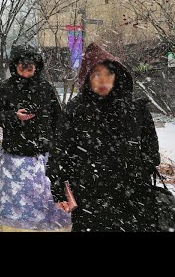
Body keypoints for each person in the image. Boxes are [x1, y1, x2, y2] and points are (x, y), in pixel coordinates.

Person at [46, 43, 160, 232]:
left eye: (108, 74)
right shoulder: (76, 110)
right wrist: (58, 189)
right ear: (87, 78)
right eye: (96, 74)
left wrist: (140, 174)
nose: (103, 80)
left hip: (131, 198)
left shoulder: (135, 109)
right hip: (89, 197)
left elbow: (150, 149)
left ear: (117, 76)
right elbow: (59, 151)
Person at [0, 44, 71, 232]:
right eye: (22, 66)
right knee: (17, 202)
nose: (26, 70)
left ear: (37, 66)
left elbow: (58, 118)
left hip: (43, 156)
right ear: (15, 65)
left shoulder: (45, 87)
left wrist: (59, 143)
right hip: (15, 157)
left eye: (30, 66)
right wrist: (13, 117)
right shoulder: (7, 86)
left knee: (44, 200)